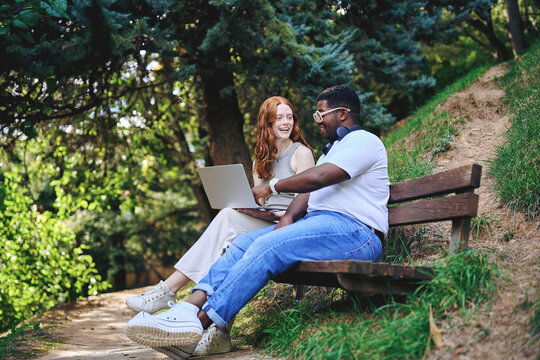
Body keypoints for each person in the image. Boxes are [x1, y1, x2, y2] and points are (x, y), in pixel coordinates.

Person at [125, 85, 390, 356]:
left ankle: (197, 323)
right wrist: (287, 217)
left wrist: (272, 186)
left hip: (355, 233)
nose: (317, 121)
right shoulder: (333, 149)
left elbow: (320, 178)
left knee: (267, 247)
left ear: (343, 114)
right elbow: (310, 192)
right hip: (321, 225)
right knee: (242, 243)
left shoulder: (364, 141)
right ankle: (187, 308)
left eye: (321, 115)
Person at [125, 96, 315, 357]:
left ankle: (169, 292)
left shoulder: (301, 153)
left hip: (291, 226)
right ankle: (219, 332)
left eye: (289, 117)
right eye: (279, 118)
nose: (285, 122)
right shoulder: (262, 159)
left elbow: (304, 203)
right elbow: (263, 204)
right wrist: (250, 208)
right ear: (267, 123)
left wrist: (271, 213)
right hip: (268, 221)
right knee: (228, 228)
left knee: (227, 221)